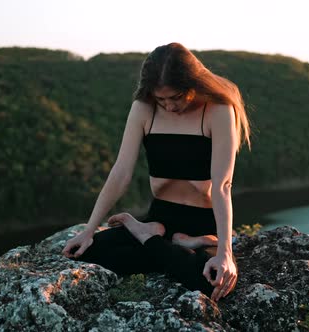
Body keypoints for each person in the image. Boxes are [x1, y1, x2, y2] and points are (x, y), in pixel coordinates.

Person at [62, 42, 251, 302]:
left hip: (203, 221)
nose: (169, 106)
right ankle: (162, 240)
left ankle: (155, 237)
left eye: (175, 97)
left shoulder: (217, 110)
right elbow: (121, 172)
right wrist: (89, 230)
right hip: (161, 216)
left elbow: (222, 185)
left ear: (193, 84)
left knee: (211, 284)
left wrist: (226, 253)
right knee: (84, 252)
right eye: (161, 99)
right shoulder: (143, 109)